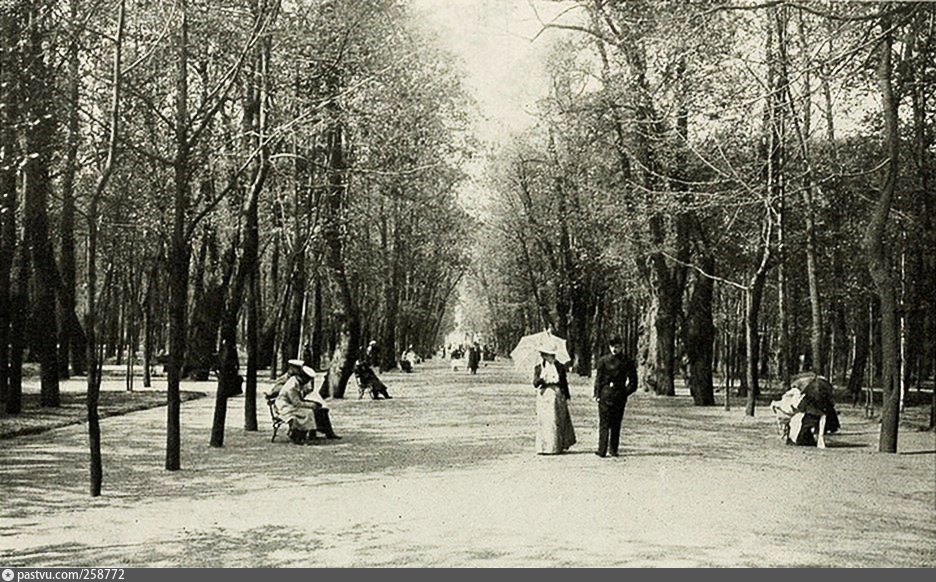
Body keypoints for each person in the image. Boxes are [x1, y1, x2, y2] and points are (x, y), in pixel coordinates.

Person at [275, 359, 341, 444]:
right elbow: (297, 403)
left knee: (322, 410)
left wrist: (313, 402)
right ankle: (298, 435)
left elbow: (301, 397)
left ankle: (326, 432)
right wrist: (311, 405)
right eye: (306, 380)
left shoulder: (297, 382)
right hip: (286, 407)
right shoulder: (292, 386)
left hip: (292, 404)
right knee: (309, 412)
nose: (307, 382)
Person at [592, 337, 638, 458]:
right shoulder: (603, 361)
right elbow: (599, 379)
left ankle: (613, 449)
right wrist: (597, 394)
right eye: (612, 346)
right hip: (605, 395)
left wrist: (624, 392)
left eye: (617, 346)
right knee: (604, 423)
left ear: (621, 347)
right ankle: (602, 450)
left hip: (619, 395)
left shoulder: (627, 361)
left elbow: (633, 382)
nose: (614, 349)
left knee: (616, 423)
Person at [532, 343, 576, 454]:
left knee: (556, 420)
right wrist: (541, 379)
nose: (552, 357)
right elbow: (535, 383)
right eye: (549, 355)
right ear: (544, 356)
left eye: (553, 355)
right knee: (545, 421)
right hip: (544, 395)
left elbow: (564, 382)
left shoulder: (560, 367)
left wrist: (566, 395)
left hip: (557, 394)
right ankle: (544, 447)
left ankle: (556, 446)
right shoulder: (539, 367)